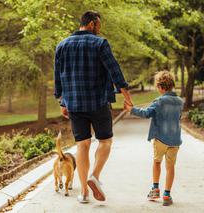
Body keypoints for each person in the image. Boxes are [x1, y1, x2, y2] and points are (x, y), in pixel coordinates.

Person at [54, 11, 133, 203]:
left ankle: (84, 193)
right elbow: (115, 71)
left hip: (74, 103)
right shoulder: (100, 43)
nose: (100, 29)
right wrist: (127, 98)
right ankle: (94, 176)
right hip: (98, 102)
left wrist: (62, 101)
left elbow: (58, 77)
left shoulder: (62, 45)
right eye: (98, 25)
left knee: (83, 145)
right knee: (105, 141)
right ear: (91, 24)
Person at [130, 71, 184, 206]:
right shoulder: (179, 101)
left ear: (160, 87)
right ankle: (167, 194)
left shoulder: (159, 101)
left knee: (157, 162)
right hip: (175, 140)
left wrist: (131, 109)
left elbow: (146, 113)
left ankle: (155, 189)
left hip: (160, 138)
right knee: (170, 167)